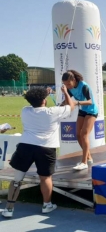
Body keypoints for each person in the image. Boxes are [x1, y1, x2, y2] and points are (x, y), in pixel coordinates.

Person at [1, 86, 75, 218]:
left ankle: (9, 209)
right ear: (44, 100)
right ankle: (47, 205)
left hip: (25, 146)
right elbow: (71, 106)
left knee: (17, 179)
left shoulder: (25, 110)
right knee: (45, 177)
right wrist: (65, 93)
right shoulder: (53, 112)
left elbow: (41, 105)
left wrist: (43, 95)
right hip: (46, 148)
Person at [61, 70, 98, 170]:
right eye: (65, 84)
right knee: (77, 134)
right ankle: (89, 157)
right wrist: (60, 104)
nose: (67, 86)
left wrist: (76, 103)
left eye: (68, 83)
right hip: (82, 111)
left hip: (91, 111)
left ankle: (84, 162)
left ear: (74, 80)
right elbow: (67, 100)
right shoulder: (69, 88)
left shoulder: (84, 86)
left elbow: (90, 102)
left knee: (84, 135)